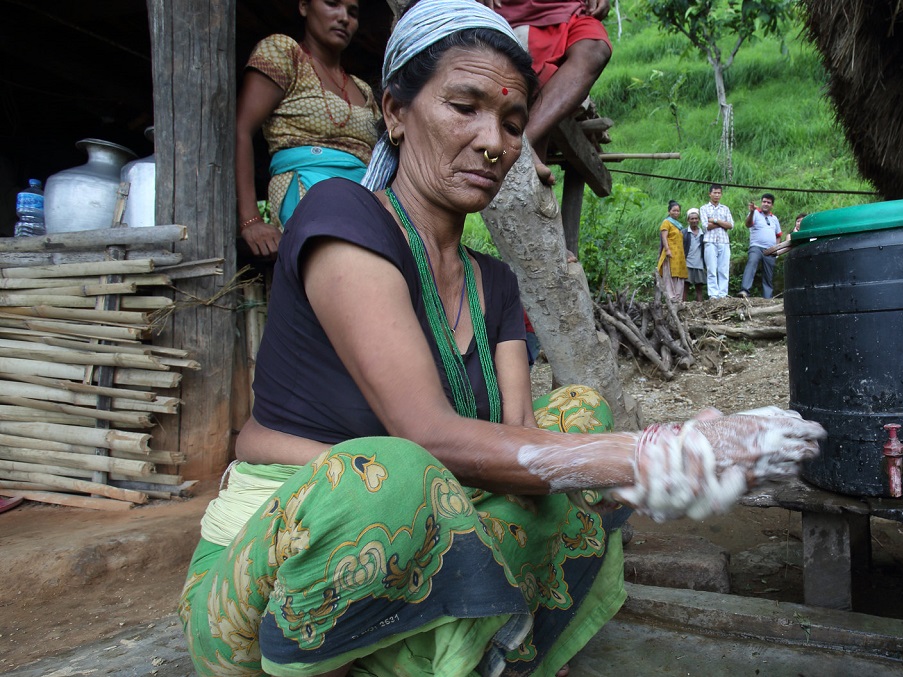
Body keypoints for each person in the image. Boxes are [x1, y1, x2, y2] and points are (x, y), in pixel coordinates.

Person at [178, 3, 825, 676]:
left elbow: (519, 454)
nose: (495, 141)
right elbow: (428, 438)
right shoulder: (341, 217)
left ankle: (466, 640)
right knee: (392, 476)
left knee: (577, 412)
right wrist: (651, 454)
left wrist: (624, 462)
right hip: (271, 585)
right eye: (465, 106)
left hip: (431, 516)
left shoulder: (495, 283)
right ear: (395, 112)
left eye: (513, 123)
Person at [235, 0, 382, 259]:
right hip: (308, 191)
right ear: (304, 6)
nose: (344, 18)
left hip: (366, 201)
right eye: (332, 4)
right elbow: (241, 131)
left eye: (352, 12)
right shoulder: (284, 53)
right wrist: (251, 221)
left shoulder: (363, 89)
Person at [483, 0, 612, 184]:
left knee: (596, 46)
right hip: (517, 12)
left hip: (572, 10)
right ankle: (524, 158)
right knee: (534, 91)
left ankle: (524, 142)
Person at [738, 193, 782, 299]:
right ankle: (745, 290)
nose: (766, 204)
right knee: (752, 263)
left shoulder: (774, 218)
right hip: (756, 247)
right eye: (764, 201)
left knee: (769, 273)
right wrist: (752, 212)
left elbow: (778, 235)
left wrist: (776, 249)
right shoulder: (755, 213)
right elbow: (748, 224)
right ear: (761, 202)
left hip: (771, 249)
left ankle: (768, 297)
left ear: (772, 205)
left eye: (768, 202)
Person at [700, 184, 734, 299]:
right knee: (711, 268)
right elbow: (705, 226)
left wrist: (715, 220)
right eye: (715, 193)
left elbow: (730, 225)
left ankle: (723, 294)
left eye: (719, 193)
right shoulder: (704, 208)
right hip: (710, 241)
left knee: (724, 269)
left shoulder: (725, 208)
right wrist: (722, 224)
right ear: (710, 194)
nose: (717, 195)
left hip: (724, 242)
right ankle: (713, 295)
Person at [656, 200, 687, 302]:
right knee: (669, 275)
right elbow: (664, 237)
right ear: (669, 211)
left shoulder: (678, 225)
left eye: (678, 211)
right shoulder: (666, 222)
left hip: (679, 255)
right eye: (674, 210)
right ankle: (671, 297)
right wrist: (668, 250)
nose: (676, 213)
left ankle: (678, 297)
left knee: (678, 275)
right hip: (670, 253)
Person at [683, 207, 707, 302]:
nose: (694, 220)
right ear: (688, 220)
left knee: (699, 288)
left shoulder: (703, 233)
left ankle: (700, 307)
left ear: (699, 220)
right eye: (692, 218)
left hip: (699, 264)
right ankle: (683, 305)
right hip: (687, 263)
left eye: (696, 218)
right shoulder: (684, 233)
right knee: (685, 286)